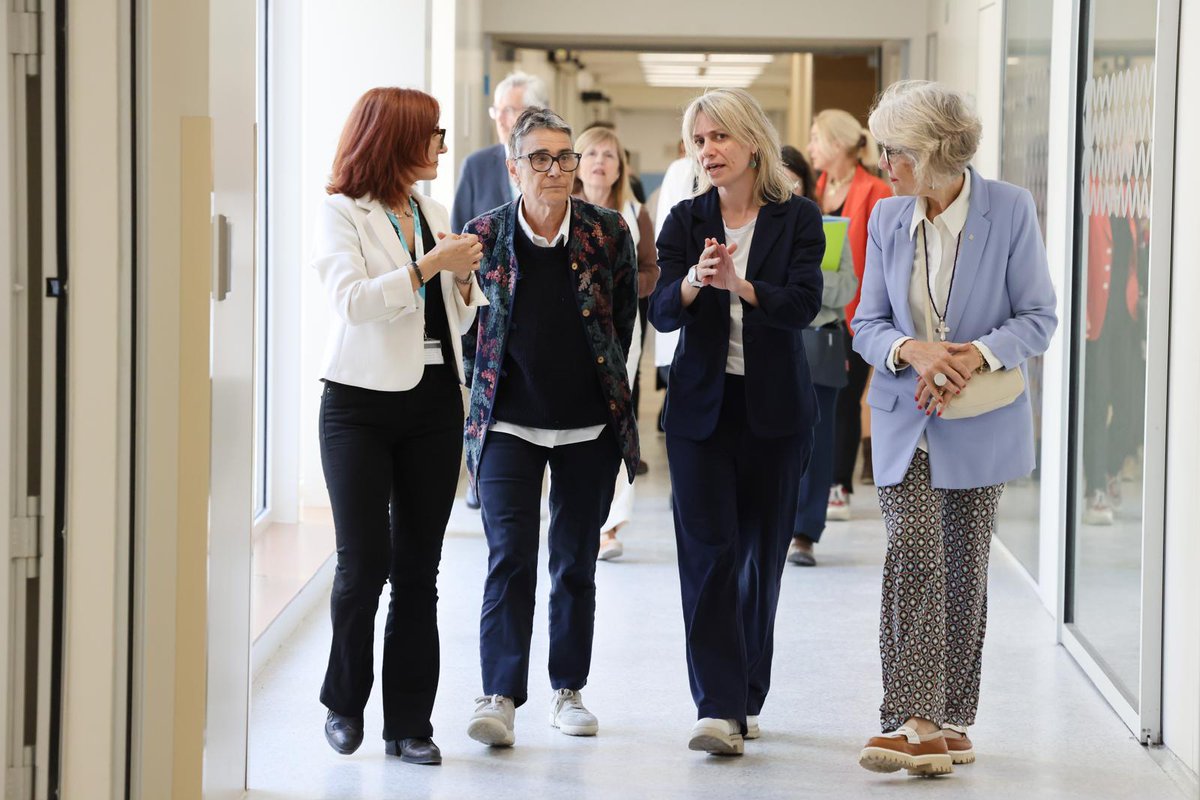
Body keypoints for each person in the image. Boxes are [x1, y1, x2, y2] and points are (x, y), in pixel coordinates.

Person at [851, 80, 1057, 776]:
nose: (886, 163)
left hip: (981, 418)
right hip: (905, 415)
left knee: (964, 568)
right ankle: (914, 718)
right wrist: (913, 351)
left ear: (939, 151)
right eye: (882, 149)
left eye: (898, 150)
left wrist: (974, 354)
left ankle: (949, 720)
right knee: (913, 555)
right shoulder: (886, 218)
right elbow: (866, 325)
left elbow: (1039, 317)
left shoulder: (1010, 210)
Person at [312, 87, 486, 766]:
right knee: (364, 564)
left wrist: (466, 285)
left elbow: (456, 321)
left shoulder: (430, 210)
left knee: (419, 570)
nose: (442, 145)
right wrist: (429, 266)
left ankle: (410, 724)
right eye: (433, 133)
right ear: (398, 138)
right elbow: (352, 303)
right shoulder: (342, 213)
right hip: (358, 405)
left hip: (434, 403)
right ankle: (343, 701)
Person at [648, 88, 824, 756]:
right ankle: (717, 706)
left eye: (720, 137)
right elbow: (664, 309)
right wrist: (695, 280)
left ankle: (746, 693)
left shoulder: (798, 218)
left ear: (753, 142)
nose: (708, 150)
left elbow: (804, 304)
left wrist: (743, 286)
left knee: (759, 563)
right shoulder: (686, 220)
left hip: (776, 417)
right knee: (708, 556)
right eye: (698, 141)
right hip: (700, 415)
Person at [461, 108, 639, 748]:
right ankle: (500, 693)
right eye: (541, 158)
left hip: (587, 426)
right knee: (509, 559)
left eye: (565, 157)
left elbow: (621, 322)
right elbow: (471, 334)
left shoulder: (607, 232)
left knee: (574, 562)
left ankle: (569, 689)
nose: (558, 169)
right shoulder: (483, 236)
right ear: (513, 167)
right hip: (508, 422)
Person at [453, 71, 550, 510]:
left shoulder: (553, 162)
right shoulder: (478, 165)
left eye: (512, 110)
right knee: (482, 396)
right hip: (484, 308)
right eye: (499, 111)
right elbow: (456, 233)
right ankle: (481, 474)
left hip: (538, 313)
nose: (503, 119)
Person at [572, 125, 660, 560]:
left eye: (609, 155)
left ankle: (611, 524)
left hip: (620, 331)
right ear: (576, 162)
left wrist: (618, 286)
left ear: (620, 166)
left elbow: (651, 272)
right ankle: (575, 515)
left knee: (616, 421)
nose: (600, 162)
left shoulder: (634, 212)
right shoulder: (560, 209)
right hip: (568, 333)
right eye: (591, 154)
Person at [806, 109, 892, 522]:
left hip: (858, 313)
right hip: (816, 311)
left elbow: (885, 258)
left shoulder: (877, 192)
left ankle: (839, 483)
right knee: (819, 400)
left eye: (816, 140)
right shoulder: (813, 190)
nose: (810, 149)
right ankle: (817, 480)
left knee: (843, 399)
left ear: (837, 144)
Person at [781, 146, 858, 567]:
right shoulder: (754, 224)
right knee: (773, 439)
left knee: (818, 439)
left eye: (794, 176)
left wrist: (801, 282)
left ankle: (805, 533)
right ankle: (773, 522)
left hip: (820, 344)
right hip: (771, 344)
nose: (788, 184)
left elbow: (846, 288)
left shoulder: (829, 228)